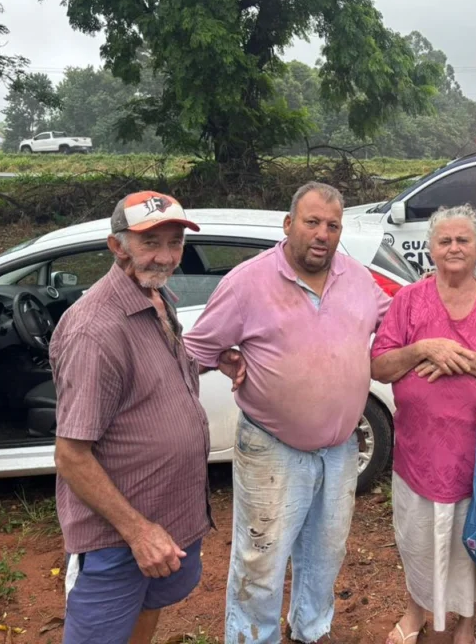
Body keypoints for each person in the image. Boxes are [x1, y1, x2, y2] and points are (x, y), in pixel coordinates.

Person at [183, 182, 391, 644]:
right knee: (261, 558)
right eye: (312, 222)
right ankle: (253, 638)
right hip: (271, 448)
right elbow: (192, 351)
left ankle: (311, 631)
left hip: (340, 450)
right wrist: (220, 355)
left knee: (325, 553)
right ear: (288, 224)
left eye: (332, 225)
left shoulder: (355, 277)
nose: (322, 234)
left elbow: (395, 321)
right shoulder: (246, 282)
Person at [51, 191, 243, 644]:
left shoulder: (156, 296)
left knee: (145, 611)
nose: (166, 256)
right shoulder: (94, 330)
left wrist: (214, 360)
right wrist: (138, 533)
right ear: (117, 246)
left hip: (167, 514)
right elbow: (71, 455)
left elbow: (157, 366)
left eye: (174, 242)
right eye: (150, 242)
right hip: (118, 539)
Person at [370, 204, 476, 644]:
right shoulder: (408, 301)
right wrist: (424, 348)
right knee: (419, 540)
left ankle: (466, 623)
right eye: (445, 240)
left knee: (467, 545)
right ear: (431, 249)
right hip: (419, 455)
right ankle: (416, 612)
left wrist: (470, 361)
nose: (454, 247)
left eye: (464, 240)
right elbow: (380, 367)